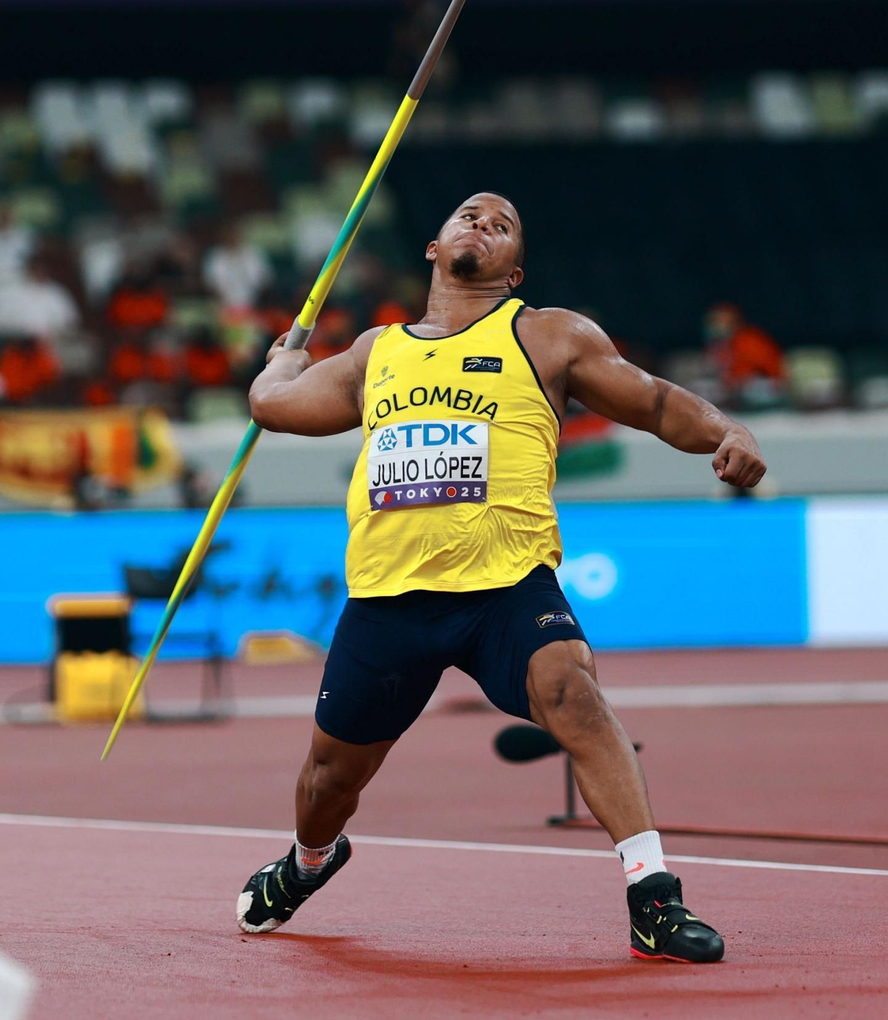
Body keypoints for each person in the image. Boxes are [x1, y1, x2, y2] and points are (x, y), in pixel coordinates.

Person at [237, 193, 764, 962]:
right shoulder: (373, 353)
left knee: (574, 693)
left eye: (502, 223)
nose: (481, 222)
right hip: (390, 599)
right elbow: (273, 406)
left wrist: (731, 431)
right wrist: (282, 361)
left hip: (505, 586)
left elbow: (654, 402)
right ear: (433, 245)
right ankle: (308, 863)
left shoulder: (546, 335)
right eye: (468, 214)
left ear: (513, 272)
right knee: (327, 781)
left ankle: (653, 898)